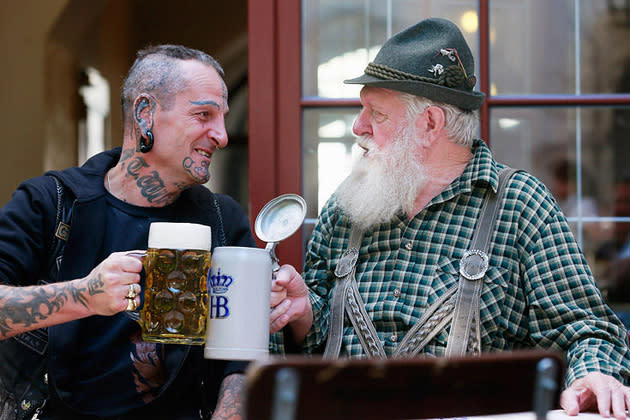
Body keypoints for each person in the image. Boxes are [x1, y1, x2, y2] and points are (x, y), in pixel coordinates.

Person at [269, 18, 630, 419]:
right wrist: (303, 313)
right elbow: (315, 347)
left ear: (430, 124)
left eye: (376, 112)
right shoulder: (346, 205)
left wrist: (594, 375)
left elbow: (588, 331)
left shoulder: (519, 204)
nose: (358, 126)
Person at [0, 45, 255, 419]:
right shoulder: (49, 203)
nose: (221, 135)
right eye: (204, 115)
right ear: (145, 112)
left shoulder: (222, 219)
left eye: (222, 118)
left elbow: (243, 353)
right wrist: (84, 295)